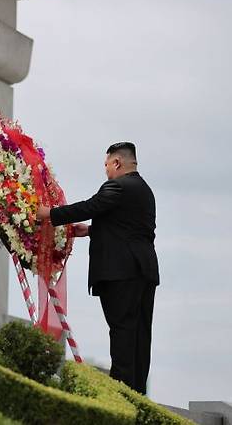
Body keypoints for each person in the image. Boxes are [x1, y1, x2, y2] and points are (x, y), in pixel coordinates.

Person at [37, 142, 159, 395]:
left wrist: (49, 213)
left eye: (106, 165)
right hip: (144, 271)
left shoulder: (118, 186)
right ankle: (137, 395)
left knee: (122, 335)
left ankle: (121, 395)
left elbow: (90, 206)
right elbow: (129, 227)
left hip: (121, 272)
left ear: (117, 163)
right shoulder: (144, 190)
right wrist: (92, 230)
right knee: (139, 337)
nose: (105, 171)